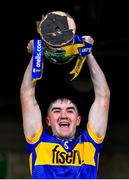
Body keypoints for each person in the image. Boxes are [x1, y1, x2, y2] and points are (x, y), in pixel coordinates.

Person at [20, 12, 110, 179]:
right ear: (47, 121)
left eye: (70, 110)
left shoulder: (89, 144)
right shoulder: (38, 143)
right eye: (56, 111)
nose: (63, 115)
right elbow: (27, 94)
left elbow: (103, 95)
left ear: (78, 119)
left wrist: (87, 52)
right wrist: (37, 54)